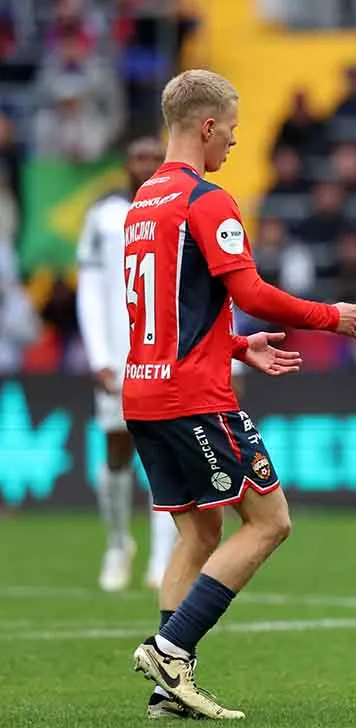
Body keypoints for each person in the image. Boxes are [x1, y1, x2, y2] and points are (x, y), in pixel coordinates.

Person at [127, 69, 356, 720]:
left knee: (199, 531)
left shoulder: (143, 201)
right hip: (194, 397)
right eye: (231, 130)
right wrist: (328, 315)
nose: (234, 141)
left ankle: (169, 693)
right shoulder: (205, 200)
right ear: (207, 126)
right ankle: (171, 649)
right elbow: (251, 292)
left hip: (145, 392)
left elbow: (164, 312)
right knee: (270, 521)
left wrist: (237, 346)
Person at [76, 135, 179, 592]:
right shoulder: (104, 215)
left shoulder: (180, 208)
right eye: (140, 157)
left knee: (164, 452)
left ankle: (161, 558)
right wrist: (99, 355)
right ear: (126, 163)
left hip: (165, 353)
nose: (147, 164)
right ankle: (118, 543)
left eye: (155, 157)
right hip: (118, 356)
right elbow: (90, 291)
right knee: (118, 449)